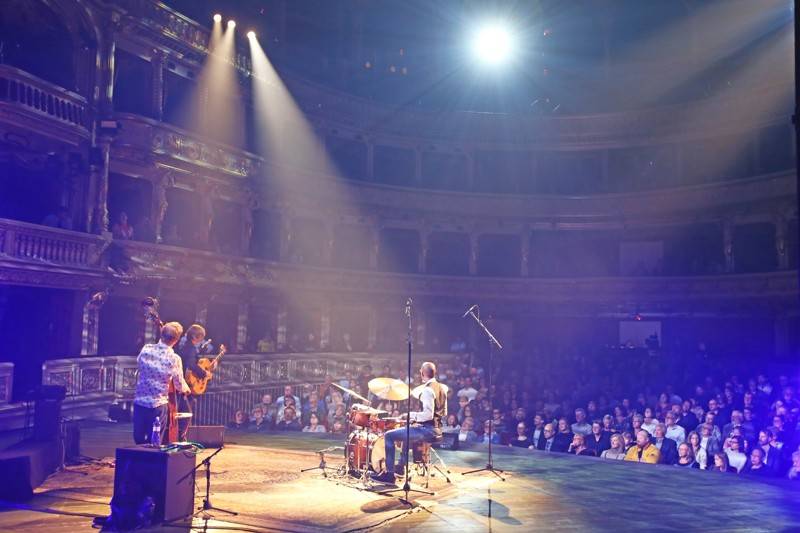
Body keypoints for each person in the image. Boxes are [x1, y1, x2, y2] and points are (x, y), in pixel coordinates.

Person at [373, 362, 447, 484]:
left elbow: (428, 414)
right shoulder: (441, 388)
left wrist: (412, 415)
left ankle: (389, 475)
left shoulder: (428, 390)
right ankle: (401, 467)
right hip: (437, 429)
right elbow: (443, 412)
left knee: (389, 436)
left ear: (422, 373)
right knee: (408, 431)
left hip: (428, 431)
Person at [132, 322, 190, 445]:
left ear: (161, 334)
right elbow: (179, 384)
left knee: (139, 439)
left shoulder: (146, 349)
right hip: (157, 405)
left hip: (140, 402)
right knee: (155, 441)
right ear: (176, 340)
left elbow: (139, 363)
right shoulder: (174, 358)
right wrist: (186, 389)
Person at [174, 324, 213, 441]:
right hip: (185, 382)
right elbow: (191, 365)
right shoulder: (190, 348)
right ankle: (181, 438)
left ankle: (176, 436)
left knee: (179, 410)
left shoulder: (182, 343)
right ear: (197, 337)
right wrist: (204, 373)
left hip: (177, 381)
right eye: (201, 338)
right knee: (186, 412)